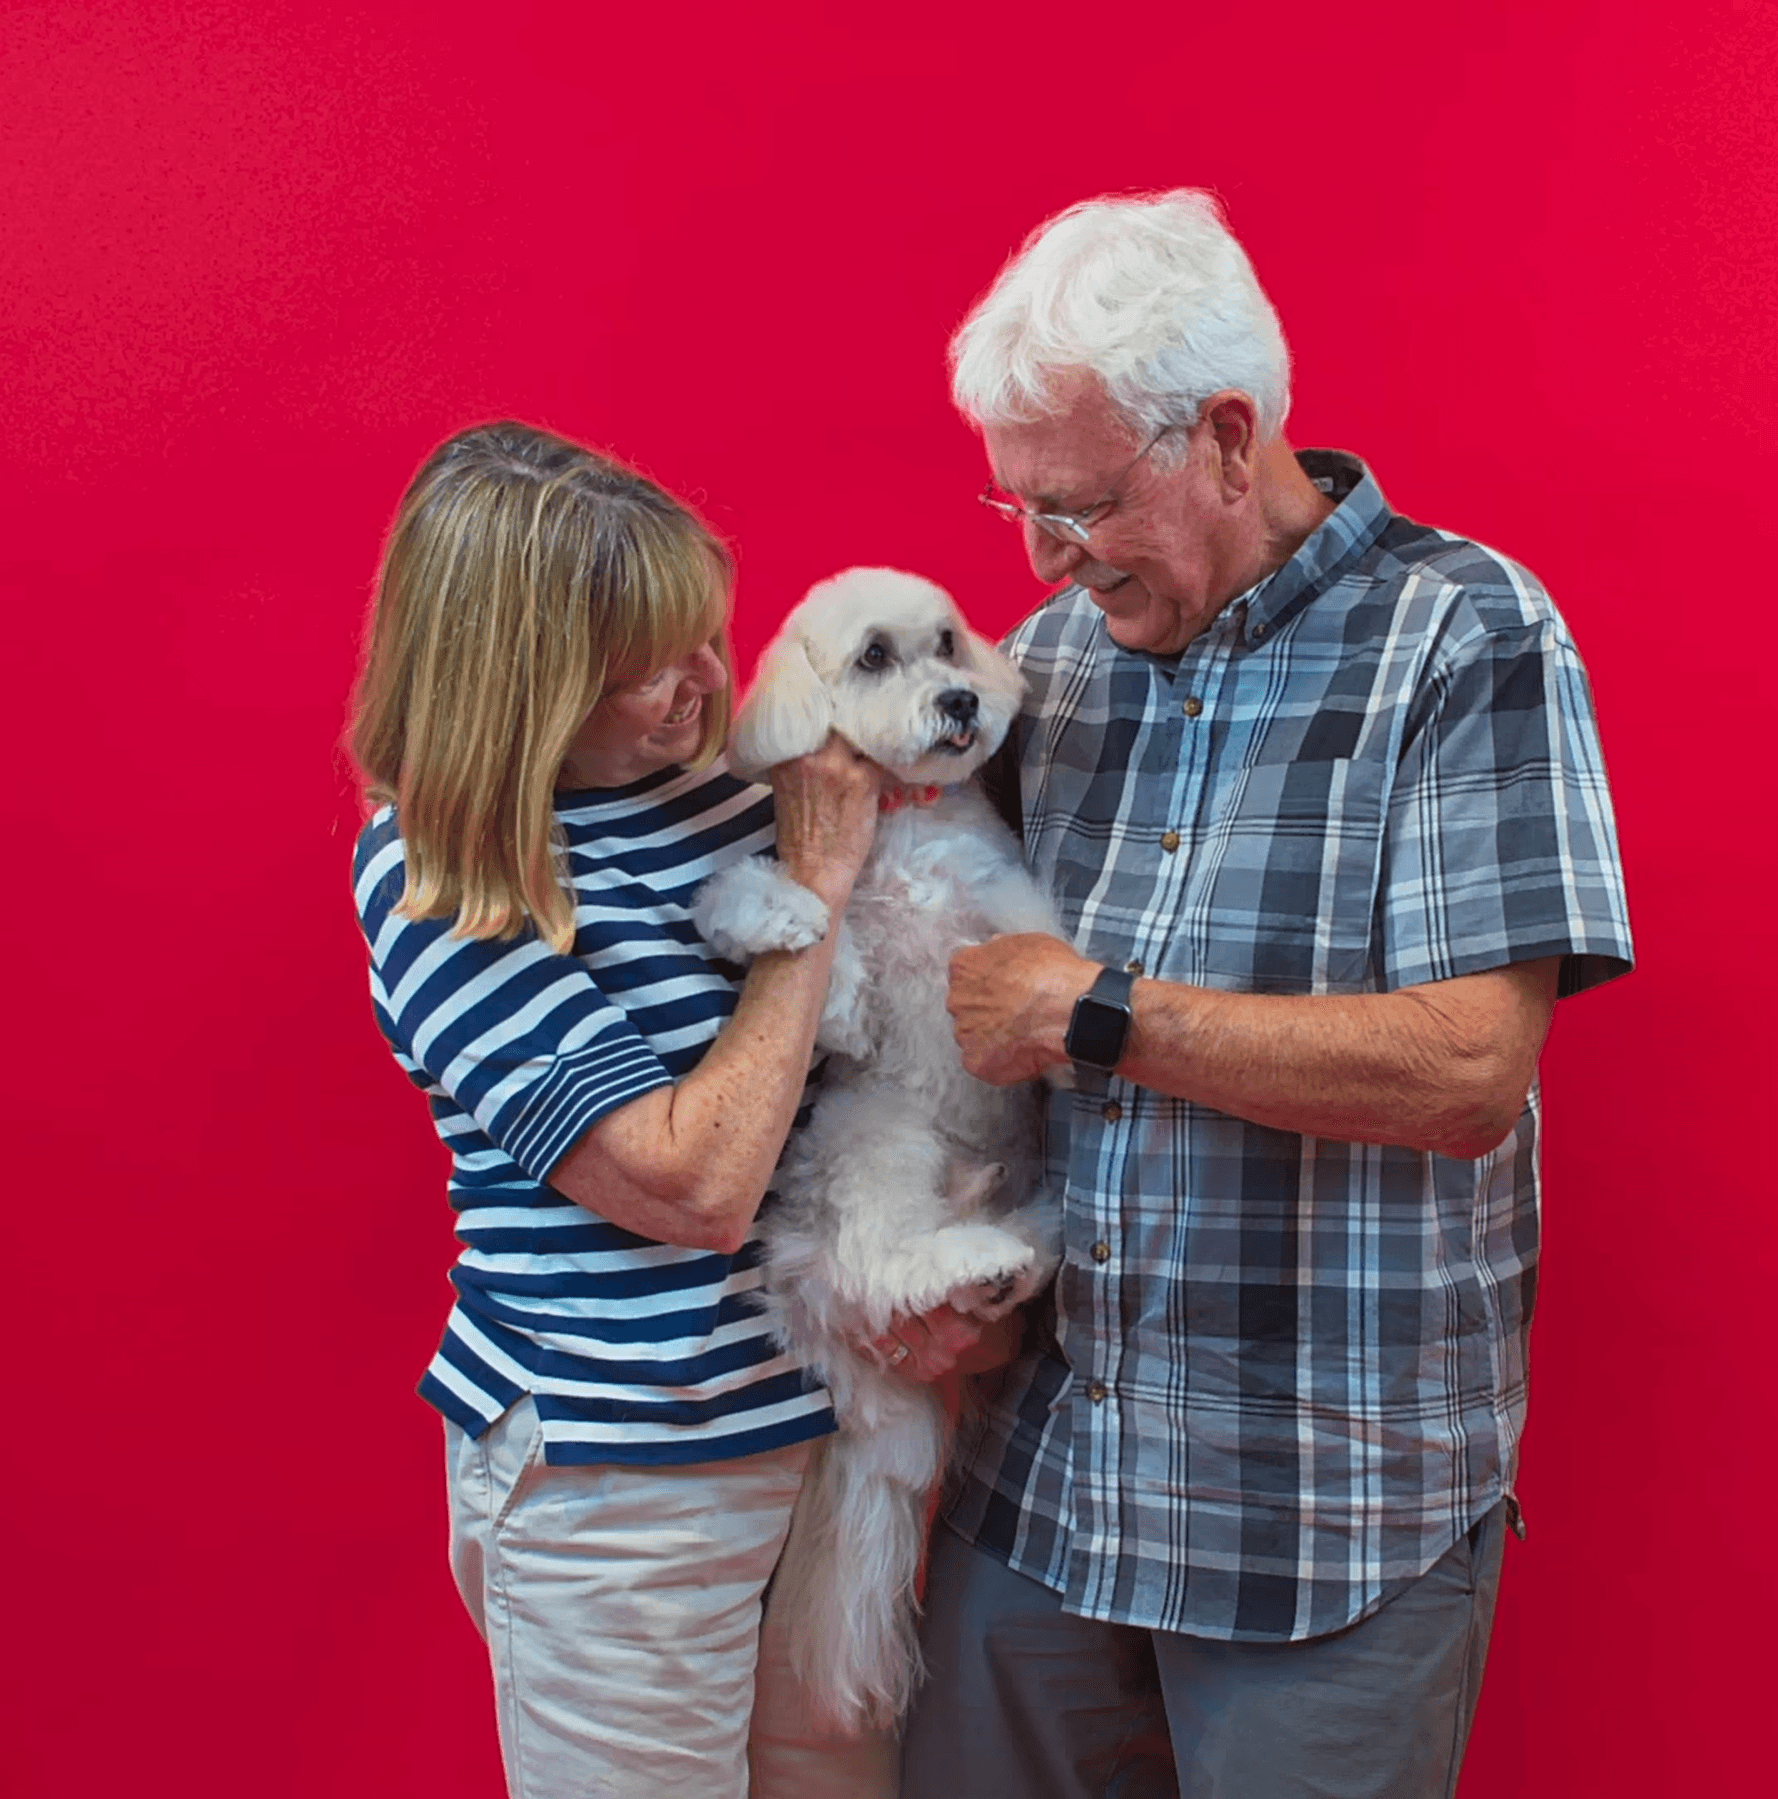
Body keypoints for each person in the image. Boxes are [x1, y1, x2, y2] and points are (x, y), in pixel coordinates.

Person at [897, 192, 1635, 1798]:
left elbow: (1462, 1075)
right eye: (1015, 503)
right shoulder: (1050, 661)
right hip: (1047, 1489)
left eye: (1079, 505)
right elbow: (953, 1023)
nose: (1038, 556)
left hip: (1325, 1515)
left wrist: (1100, 1009)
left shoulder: (1466, 639)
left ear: (1227, 437)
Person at [348, 422, 896, 1798]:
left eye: (708, 635)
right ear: (523, 686)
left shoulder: (735, 798)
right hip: (622, 1479)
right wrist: (814, 895)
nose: (708, 683)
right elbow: (688, 1186)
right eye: (651, 664)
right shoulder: (444, 876)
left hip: (833, 1443)